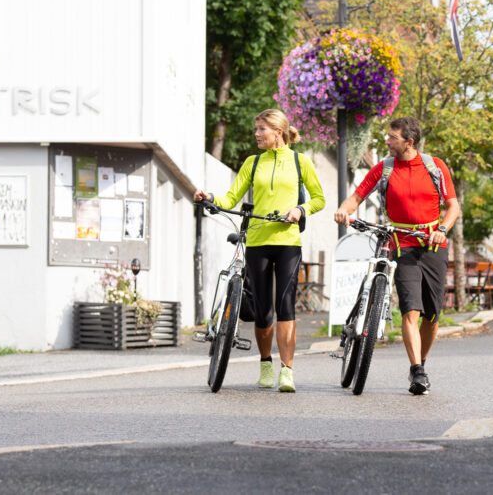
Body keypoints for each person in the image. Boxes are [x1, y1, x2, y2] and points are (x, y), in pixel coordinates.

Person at [193, 109, 325, 393]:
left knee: (286, 306)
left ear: (278, 132)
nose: (256, 134)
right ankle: (266, 364)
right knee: (263, 311)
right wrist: (210, 197)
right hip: (257, 241)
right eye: (257, 129)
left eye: (262, 129)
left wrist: (300, 209)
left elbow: (319, 199)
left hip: (288, 242)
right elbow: (231, 197)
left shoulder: (300, 162)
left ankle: (287, 371)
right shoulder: (252, 163)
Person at [334, 116, 459, 396]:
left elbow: (452, 207)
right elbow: (356, 197)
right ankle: (417, 370)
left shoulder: (435, 167)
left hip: (433, 244)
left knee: (433, 315)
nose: (387, 141)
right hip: (402, 245)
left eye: (392, 138)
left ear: (409, 142)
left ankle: (421, 361)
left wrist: (442, 228)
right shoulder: (384, 168)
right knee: (410, 309)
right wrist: (345, 210)